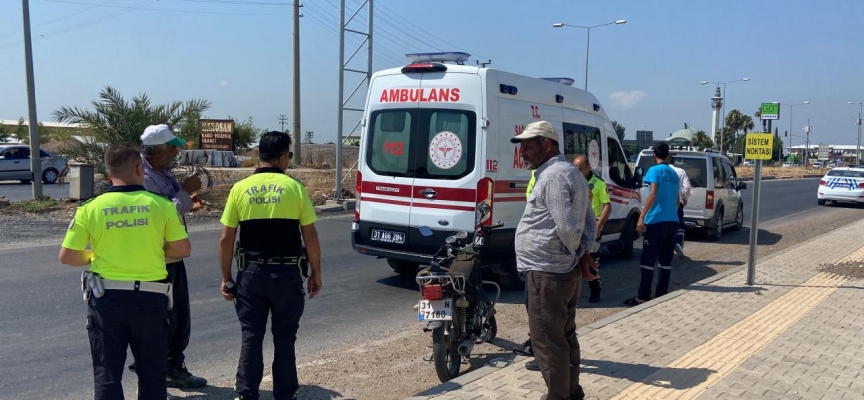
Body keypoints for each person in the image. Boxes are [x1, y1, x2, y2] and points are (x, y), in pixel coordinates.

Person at [59, 143, 191, 400]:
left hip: (106, 300)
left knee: (108, 373)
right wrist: (151, 252)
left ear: (108, 174)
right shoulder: (162, 205)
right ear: (140, 168)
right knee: (152, 374)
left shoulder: (90, 207)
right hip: (151, 300)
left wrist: (98, 255)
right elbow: (183, 249)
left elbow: (68, 256)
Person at [218, 131, 322, 400]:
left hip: (251, 275)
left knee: (251, 336)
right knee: (284, 339)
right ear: (281, 157)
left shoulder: (240, 189)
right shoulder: (295, 188)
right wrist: (316, 273)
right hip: (287, 276)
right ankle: (285, 395)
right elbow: (309, 235)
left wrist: (226, 277)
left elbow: (226, 238)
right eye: (288, 155)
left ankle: (246, 394)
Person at [511, 120, 598, 400]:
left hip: (548, 273)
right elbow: (589, 220)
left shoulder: (554, 176)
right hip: (561, 271)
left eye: (528, 146)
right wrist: (584, 252)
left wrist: (577, 252)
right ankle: (571, 392)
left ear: (547, 145)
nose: (522, 152)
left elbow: (566, 227)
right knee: (565, 336)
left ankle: (559, 396)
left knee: (548, 343)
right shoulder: (571, 172)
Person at [134, 124, 207, 388]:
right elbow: (160, 213)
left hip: (171, 255)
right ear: (156, 150)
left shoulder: (160, 172)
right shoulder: (144, 175)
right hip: (160, 257)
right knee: (169, 318)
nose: (176, 151)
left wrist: (188, 200)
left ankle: (165, 365)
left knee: (178, 317)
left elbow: (172, 207)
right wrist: (185, 192)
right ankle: (167, 369)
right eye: (171, 147)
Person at [625, 142, 680, 306]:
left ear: (654, 155)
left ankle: (642, 296)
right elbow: (677, 201)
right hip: (672, 221)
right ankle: (662, 294)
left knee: (648, 262)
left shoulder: (653, 171)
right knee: (665, 262)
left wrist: (642, 217)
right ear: (668, 154)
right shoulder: (674, 174)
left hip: (656, 222)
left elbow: (653, 193)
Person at [574, 155, 611, 303]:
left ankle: (595, 290)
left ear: (588, 167)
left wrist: (599, 226)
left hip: (592, 226)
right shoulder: (573, 182)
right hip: (576, 226)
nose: (577, 171)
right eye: (575, 168)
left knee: (592, 261)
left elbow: (607, 206)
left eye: (580, 169)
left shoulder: (598, 183)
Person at [667, 153, 691, 258]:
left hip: (663, 203)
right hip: (677, 203)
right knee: (679, 224)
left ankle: (663, 246)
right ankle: (678, 243)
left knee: (663, 225)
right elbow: (687, 187)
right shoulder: (680, 171)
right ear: (674, 162)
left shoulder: (659, 170)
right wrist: (684, 198)